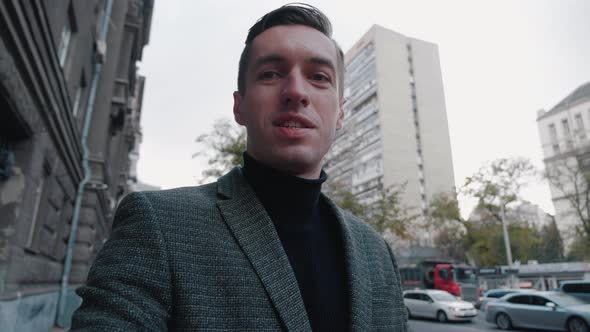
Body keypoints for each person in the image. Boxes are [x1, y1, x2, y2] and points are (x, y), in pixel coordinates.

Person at [71, 4, 408, 331]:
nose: (295, 91)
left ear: (340, 114)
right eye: (271, 74)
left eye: (319, 77)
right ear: (239, 107)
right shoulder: (157, 223)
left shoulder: (377, 253)